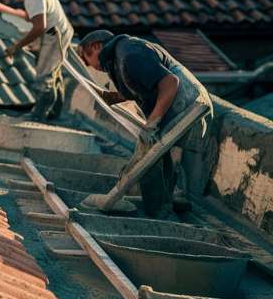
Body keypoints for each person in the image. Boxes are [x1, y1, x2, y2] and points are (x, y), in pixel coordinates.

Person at [77, 30, 213, 219]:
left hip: (187, 106)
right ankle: (169, 200)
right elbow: (140, 86)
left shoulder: (129, 54)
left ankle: (161, 214)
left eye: (86, 60)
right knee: (156, 152)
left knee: (148, 156)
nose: (90, 67)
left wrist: (152, 123)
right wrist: (110, 96)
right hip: (184, 106)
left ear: (96, 46)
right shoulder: (122, 55)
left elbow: (170, 83)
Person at [1, 0, 74, 120]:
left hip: (55, 36)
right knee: (54, 73)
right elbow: (34, 19)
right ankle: (55, 113)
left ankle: (39, 114)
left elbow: (39, 27)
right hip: (59, 32)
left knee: (43, 76)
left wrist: (17, 46)